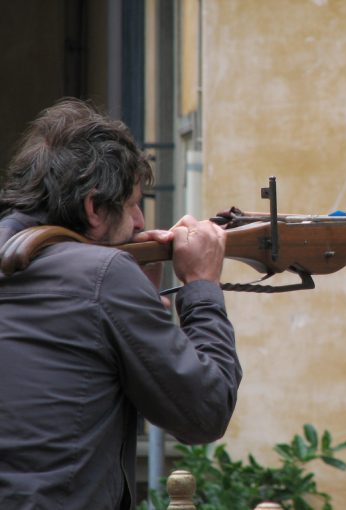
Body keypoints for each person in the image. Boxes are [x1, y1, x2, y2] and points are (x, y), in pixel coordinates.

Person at [0, 98, 242, 509]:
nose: (140, 223)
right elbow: (205, 412)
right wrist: (202, 286)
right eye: (133, 203)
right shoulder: (103, 275)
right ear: (93, 208)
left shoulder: (98, 276)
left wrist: (138, 297)